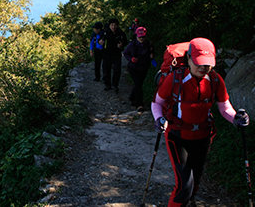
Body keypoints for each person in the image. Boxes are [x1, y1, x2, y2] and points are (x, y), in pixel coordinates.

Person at [152, 38, 250, 207]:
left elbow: (224, 107)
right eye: (199, 63)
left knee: (195, 183)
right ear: (188, 58)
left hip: (203, 137)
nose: (204, 68)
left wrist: (236, 118)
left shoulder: (215, 79)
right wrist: (159, 119)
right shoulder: (175, 79)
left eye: (207, 64)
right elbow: (157, 103)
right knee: (184, 186)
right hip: (177, 136)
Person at [123, 26, 154, 111]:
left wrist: (152, 58)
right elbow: (125, 53)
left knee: (139, 84)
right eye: (140, 37)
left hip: (144, 67)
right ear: (136, 36)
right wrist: (131, 59)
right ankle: (139, 104)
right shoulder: (132, 45)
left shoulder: (149, 44)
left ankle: (132, 97)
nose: (141, 38)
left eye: (143, 37)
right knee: (138, 85)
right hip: (133, 67)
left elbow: (151, 53)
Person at [99, 18, 128, 93]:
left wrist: (122, 44)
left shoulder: (120, 33)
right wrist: (101, 42)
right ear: (109, 26)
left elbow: (126, 41)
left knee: (117, 70)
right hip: (107, 54)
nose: (113, 27)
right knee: (106, 69)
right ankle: (107, 84)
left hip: (117, 54)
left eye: (115, 25)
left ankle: (115, 85)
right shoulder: (106, 32)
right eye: (112, 25)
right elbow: (100, 40)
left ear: (117, 25)